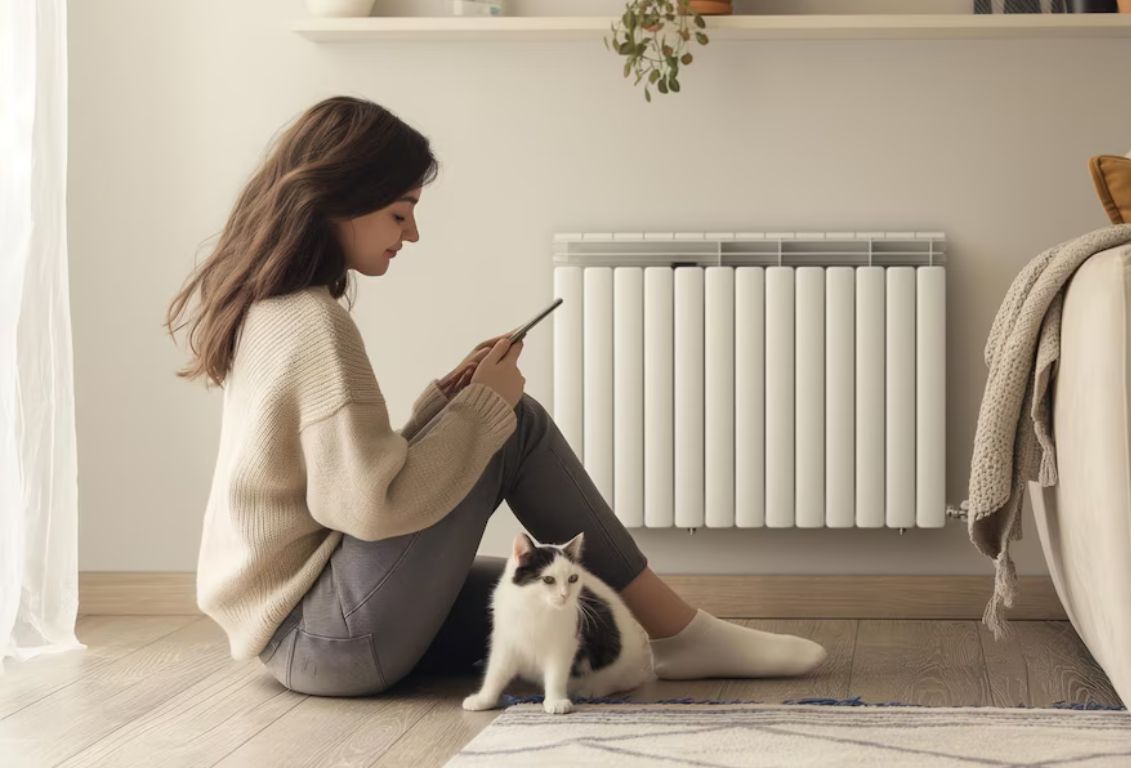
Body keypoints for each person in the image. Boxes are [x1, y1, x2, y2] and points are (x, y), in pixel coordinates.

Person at [165, 95, 827, 697]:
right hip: (328, 637)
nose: (412, 235)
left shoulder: (275, 309)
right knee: (516, 421)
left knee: (559, 601)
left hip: (307, 630)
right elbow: (370, 506)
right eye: (401, 212)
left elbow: (348, 479)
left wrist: (446, 401)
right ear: (343, 197)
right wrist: (485, 408)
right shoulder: (313, 322)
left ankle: (666, 634)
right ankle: (683, 635)